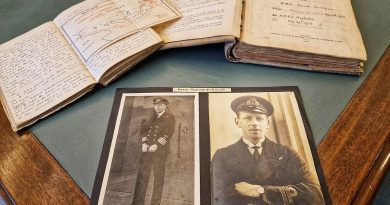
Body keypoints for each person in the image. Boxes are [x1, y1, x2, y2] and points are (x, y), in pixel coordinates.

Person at [211, 95, 325, 205]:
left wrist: (262, 191)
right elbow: (216, 194)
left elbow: (314, 192)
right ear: (237, 122)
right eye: (247, 118)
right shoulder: (223, 156)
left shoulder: (287, 154)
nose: (254, 123)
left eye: (259, 118)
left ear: (267, 123)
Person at [131, 97, 176, 205]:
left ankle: (155, 203)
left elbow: (168, 133)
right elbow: (144, 130)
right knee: (142, 176)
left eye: (160, 105)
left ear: (165, 106)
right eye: (156, 105)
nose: (157, 107)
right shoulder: (152, 116)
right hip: (147, 150)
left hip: (159, 152)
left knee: (158, 179)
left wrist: (157, 145)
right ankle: (137, 202)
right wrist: (144, 143)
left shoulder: (169, 117)